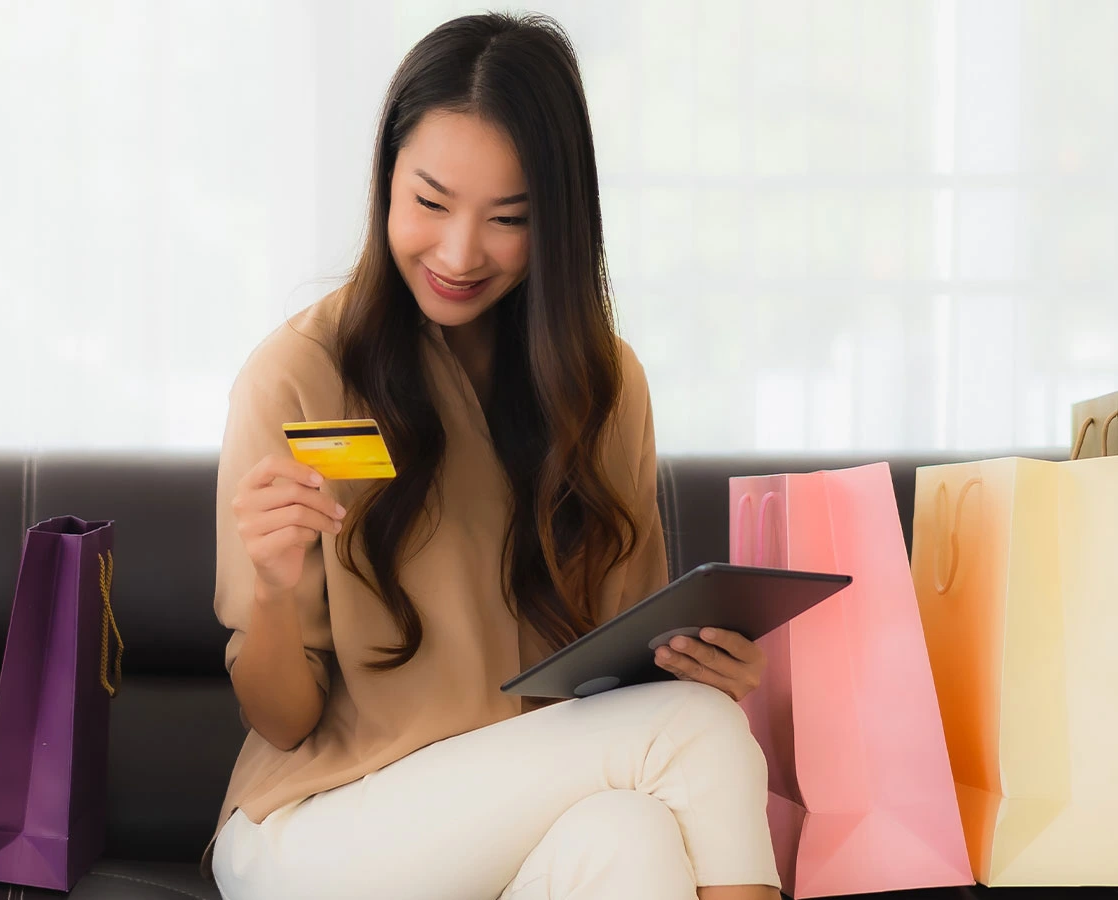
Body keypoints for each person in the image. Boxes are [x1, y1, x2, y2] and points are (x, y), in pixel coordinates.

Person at [209, 13, 780, 900]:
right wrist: (277, 592)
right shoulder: (298, 374)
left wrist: (706, 668)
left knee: (631, 836)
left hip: (523, 821)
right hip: (318, 831)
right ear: (384, 179)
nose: (459, 253)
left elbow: (630, 679)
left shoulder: (607, 387)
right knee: (693, 733)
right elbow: (281, 723)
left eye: (507, 218)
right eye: (430, 203)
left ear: (556, 220)